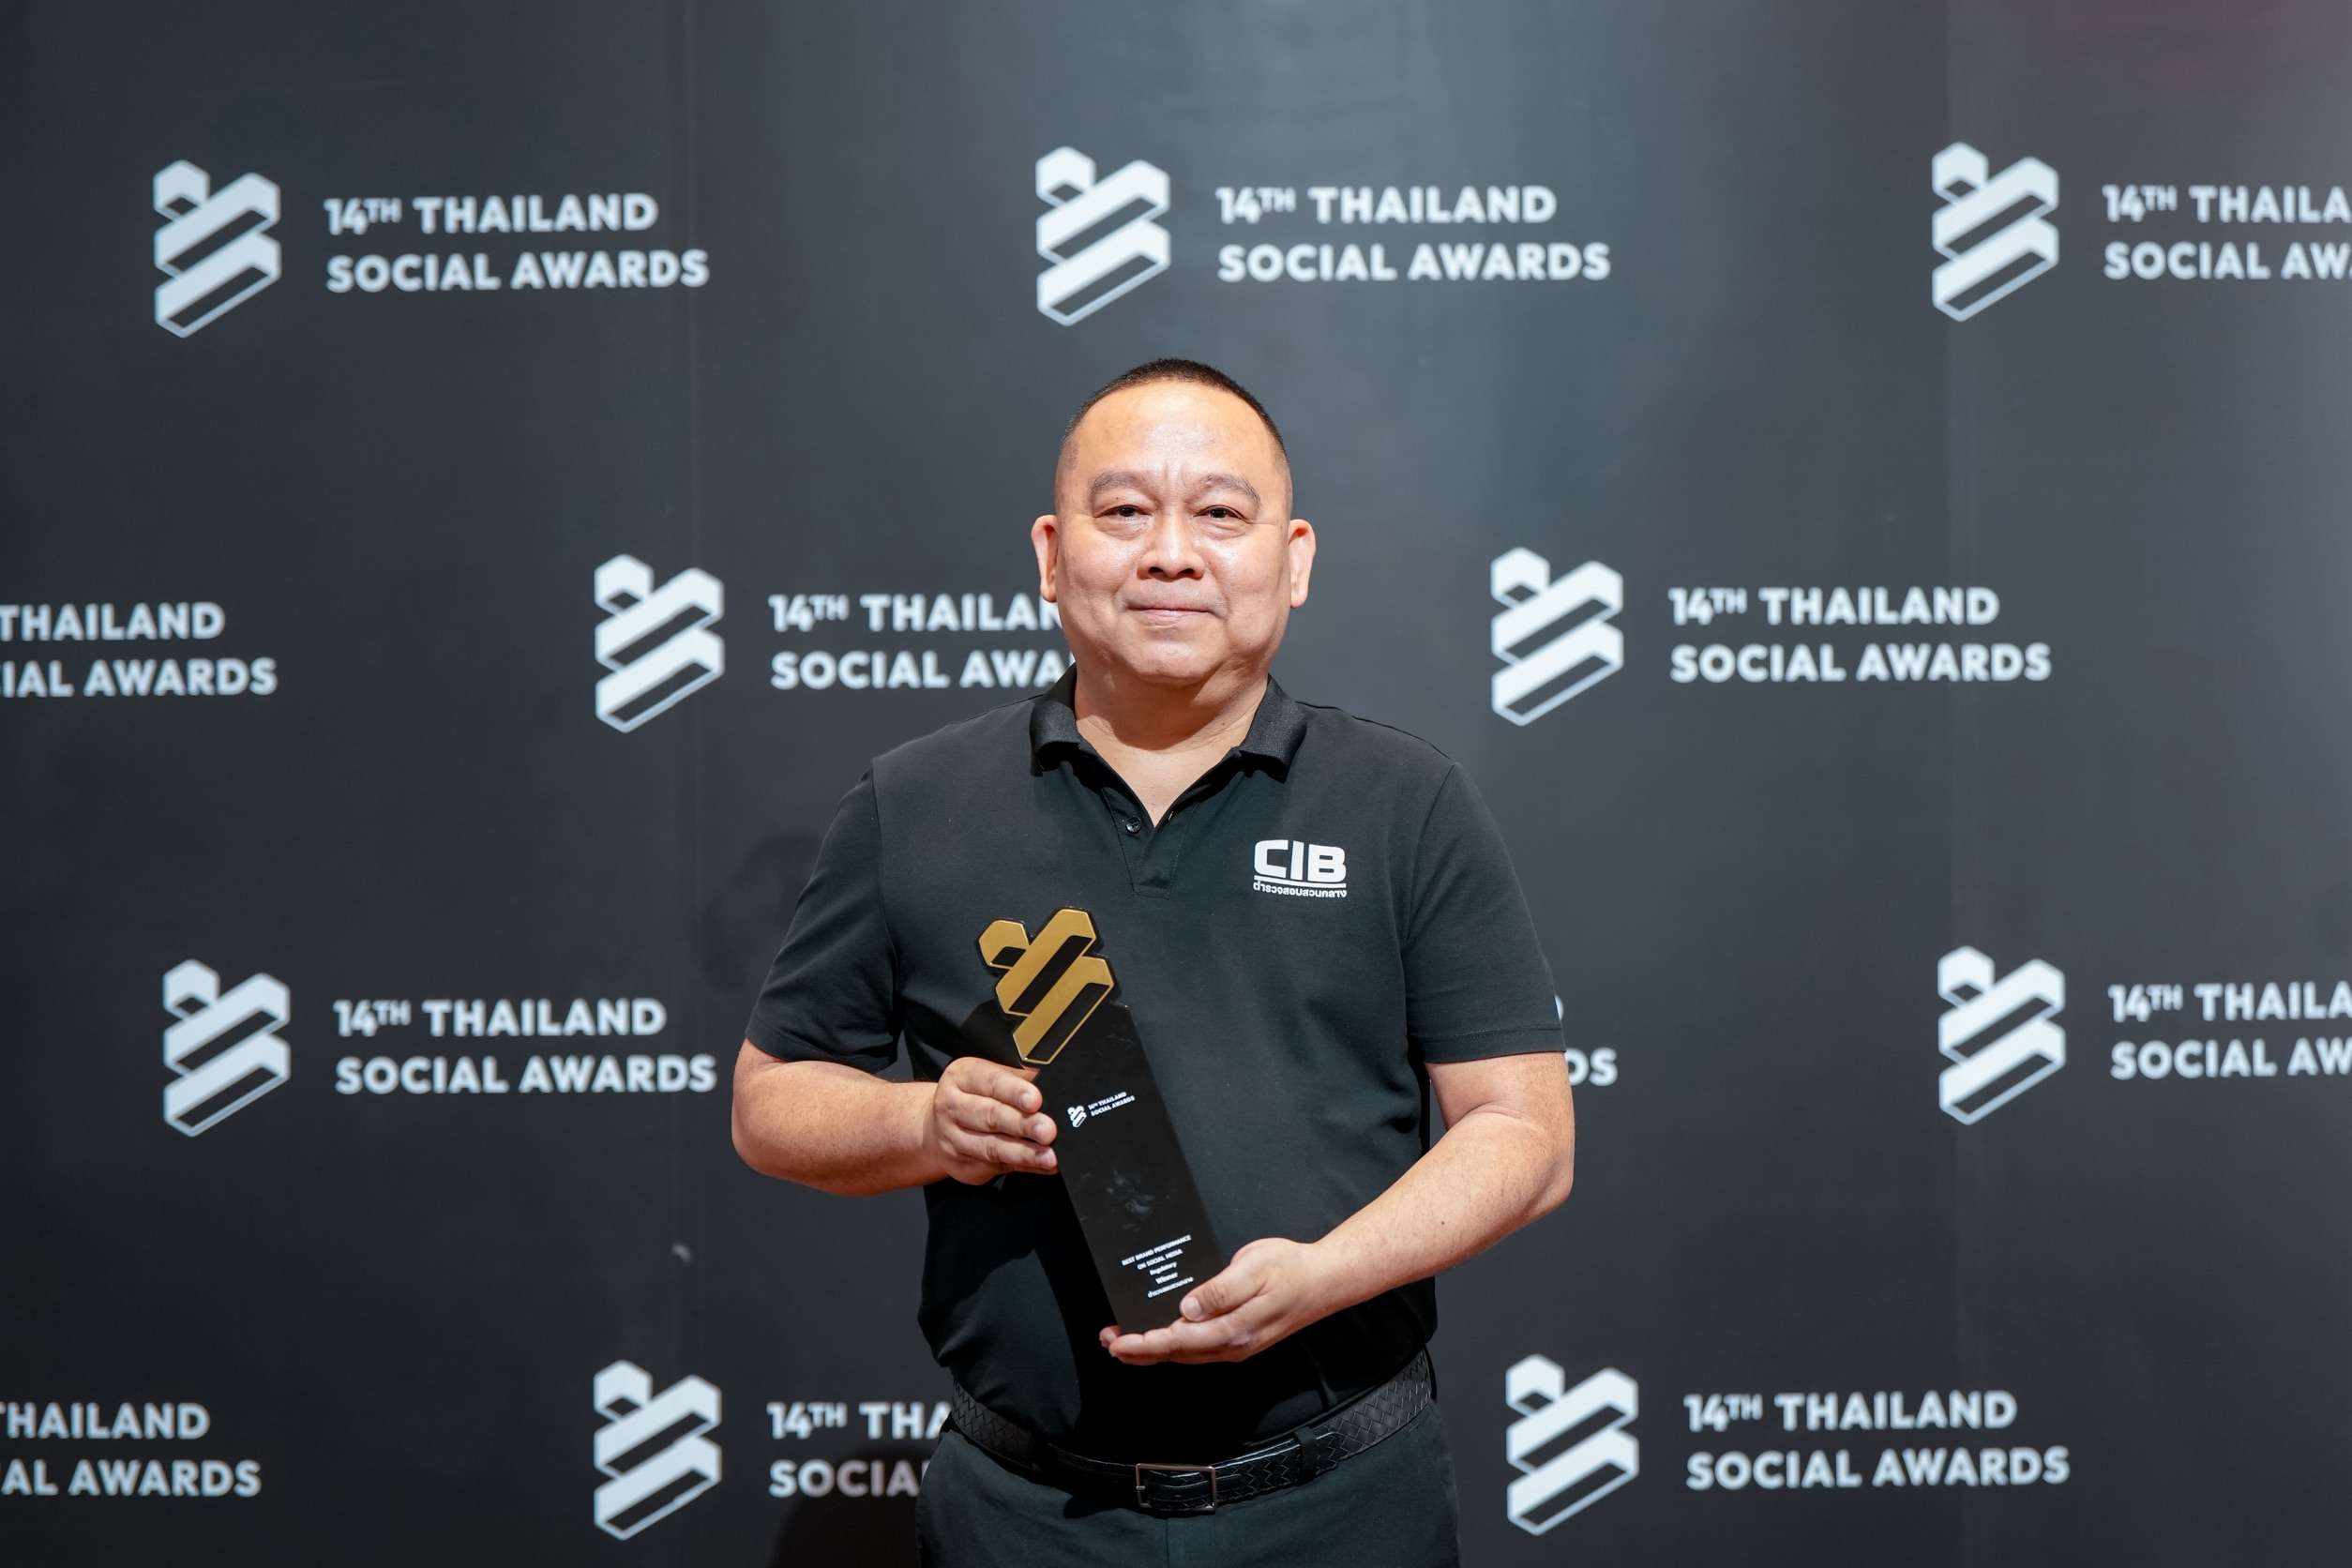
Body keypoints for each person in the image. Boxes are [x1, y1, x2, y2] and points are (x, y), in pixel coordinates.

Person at [731, 358, 1576, 1566]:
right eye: (1124, 510)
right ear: (1050, 553)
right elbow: (770, 1103)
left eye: (1220, 514)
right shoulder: (914, 805)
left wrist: (1324, 1275)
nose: (1171, 554)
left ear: (1293, 560)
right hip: (1026, 1518)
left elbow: (1524, 1133)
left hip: (1342, 1509)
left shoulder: (1406, 802)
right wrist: (927, 1121)